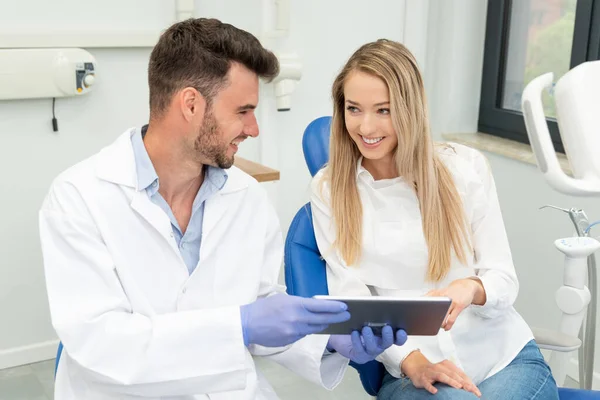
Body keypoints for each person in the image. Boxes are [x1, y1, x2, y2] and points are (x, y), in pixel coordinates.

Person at [38, 19, 406, 400]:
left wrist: (327, 344)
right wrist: (239, 325)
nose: (254, 128)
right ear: (191, 104)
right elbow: (100, 344)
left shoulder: (246, 196)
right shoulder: (78, 198)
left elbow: (261, 313)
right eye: (243, 111)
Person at [310, 39, 560, 399]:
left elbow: (503, 278)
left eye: (384, 110)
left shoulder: (464, 168)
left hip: (503, 357)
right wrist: (411, 360)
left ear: (410, 109)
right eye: (354, 109)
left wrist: (472, 288)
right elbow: (352, 296)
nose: (366, 126)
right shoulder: (329, 189)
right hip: (411, 369)